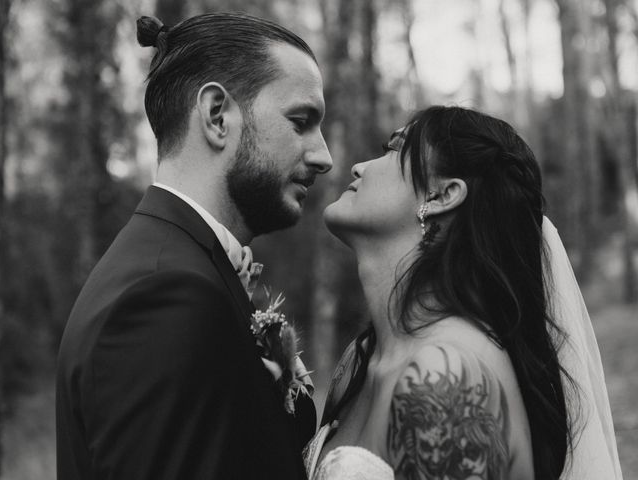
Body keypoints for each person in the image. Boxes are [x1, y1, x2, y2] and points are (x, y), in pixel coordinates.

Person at [56, 12, 332, 480]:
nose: (323, 156)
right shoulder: (166, 296)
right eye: (300, 121)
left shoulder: (182, 267)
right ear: (216, 116)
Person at [303, 106, 623, 479]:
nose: (360, 166)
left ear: (443, 195)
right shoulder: (358, 361)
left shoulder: (446, 378)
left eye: (393, 149)